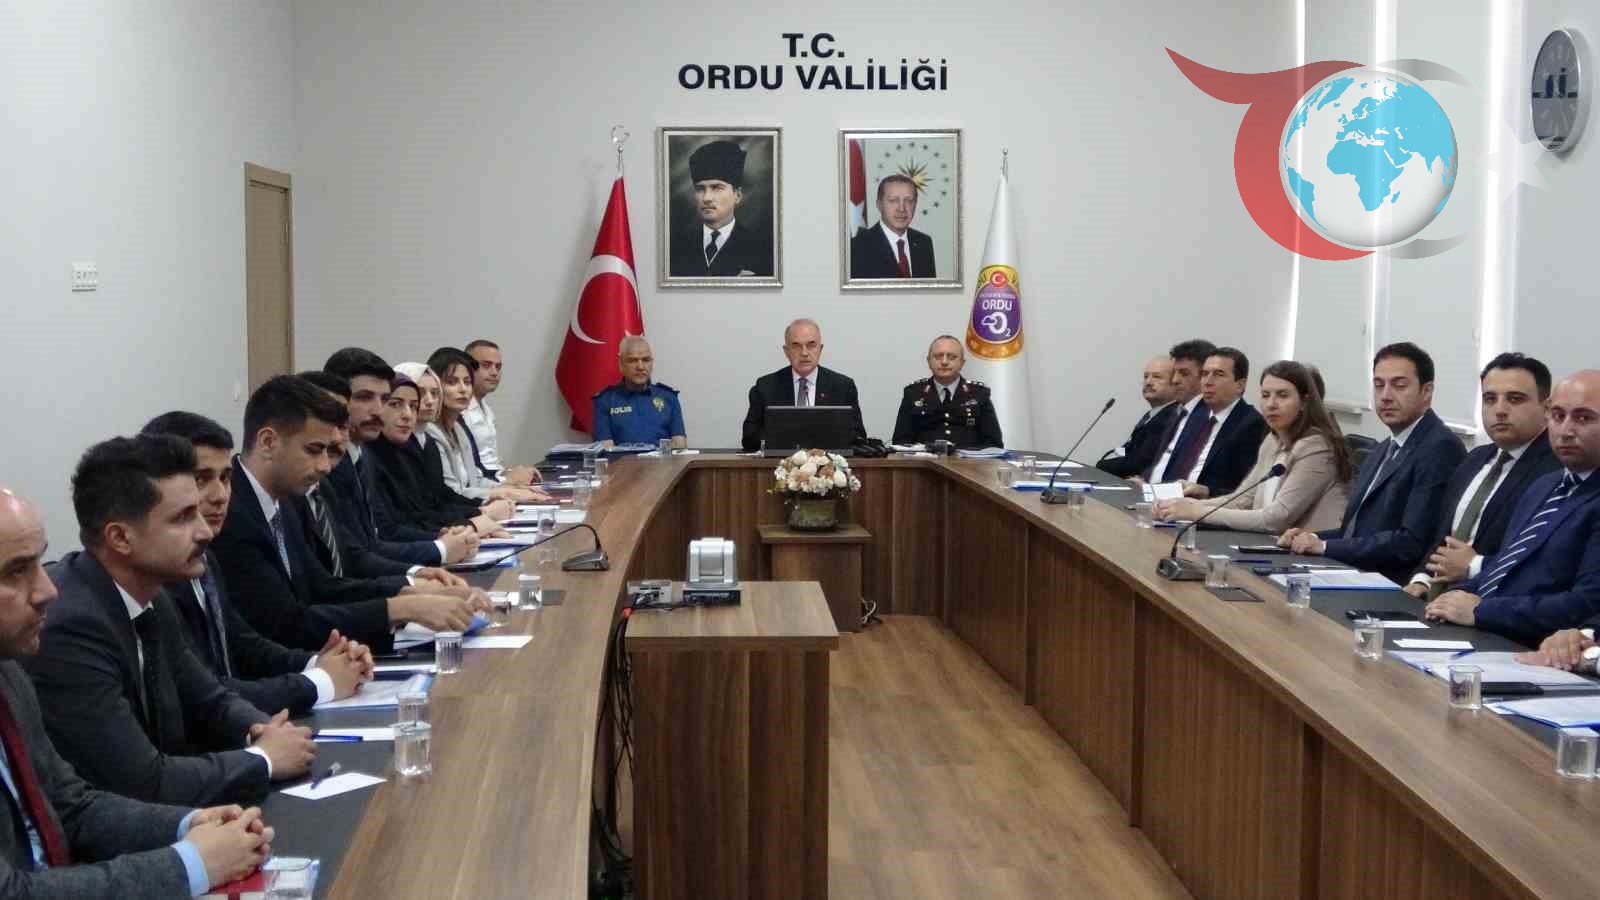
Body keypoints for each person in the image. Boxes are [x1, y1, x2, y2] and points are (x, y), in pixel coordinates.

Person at [0, 487, 276, 898]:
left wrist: (187, 825)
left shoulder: (8, 674)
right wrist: (190, 864)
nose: (47, 591)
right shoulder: (64, 630)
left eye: (39, 562)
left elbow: (71, 806)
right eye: (14, 572)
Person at [25, 435, 317, 807]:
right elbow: (141, 782)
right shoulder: (71, 627)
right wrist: (263, 759)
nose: (205, 531)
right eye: (183, 518)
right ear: (120, 537)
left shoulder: (153, 597)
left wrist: (261, 730)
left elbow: (211, 701)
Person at [210, 376, 478, 654]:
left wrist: (410, 591)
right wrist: (399, 607)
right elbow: (285, 625)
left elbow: (322, 587)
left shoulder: (284, 500)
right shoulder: (230, 514)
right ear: (268, 442)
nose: (325, 466)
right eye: (314, 450)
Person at [139, 411, 374, 715]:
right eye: (201, 479)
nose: (220, 495)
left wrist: (321, 663)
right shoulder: (155, 575)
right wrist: (321, 681)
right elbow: (203, 694)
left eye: (225, 478)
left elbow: (243, 644)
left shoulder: (206, 558)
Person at [1423, 370, 1600, 645]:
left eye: (1584, 418)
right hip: (1485, 632)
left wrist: (1480, 611)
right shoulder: (1544, 486)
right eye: (1558, 416)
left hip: (1534, 647)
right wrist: (1456, 596)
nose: (1566, 431)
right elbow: (1506, 568)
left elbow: (1585, 604)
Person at [1280, 342, 1468, 585]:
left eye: (1399, 385)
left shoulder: (1440, 448)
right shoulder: (1382, 449)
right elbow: (1356, 532)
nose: (1386, 396)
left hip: (1392, 585)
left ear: (1427, 391)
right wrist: (1312, 538)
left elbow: (1410, 543)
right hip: (1353, 573)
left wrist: (1325, 547)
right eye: (1379, 385)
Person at [1402, 354, 1560, 600]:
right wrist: (1422, 579)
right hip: (1432, 599)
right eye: (1490, 399)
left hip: (1487, 606)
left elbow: (1540, 564)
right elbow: (1444, 537)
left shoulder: (1556, 472)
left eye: (1515, 399)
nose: (1500, 410)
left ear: (1547, 408)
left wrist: (1475, 565)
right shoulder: (1474, 459)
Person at [311, 355, 481, 568]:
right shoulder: (331, 465)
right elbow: (358, 553)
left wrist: (442, 540)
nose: (378, 410)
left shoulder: (363, 456)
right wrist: (440, 548)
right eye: (364, 397)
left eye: (384, 399)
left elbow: (374, 540)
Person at [1154, 360, 1351, 532]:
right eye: (1265, 395)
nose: (1271, 404)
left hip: (1310, 556)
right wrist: (1183, 505)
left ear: (1304, 402)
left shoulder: (1316, 447)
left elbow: (1275, 519)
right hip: (1274, 546)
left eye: (1282, 395)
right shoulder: (1273, 441)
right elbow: (1243, 500)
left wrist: (1197, 512)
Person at [368, 370, 502, 537]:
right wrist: (470, 524)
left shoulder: (415, 445)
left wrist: (472, 519)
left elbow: (430, 503)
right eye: (395, 404)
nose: (407, 414)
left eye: (413, 406)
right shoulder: (372, 455)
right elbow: (391, 527)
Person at [427, 348, 549, 504]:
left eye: (467, 382)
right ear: (436, 388)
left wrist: (512, 489)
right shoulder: (431, 434)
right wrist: (506, 492)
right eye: (452, 382)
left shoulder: (458, 429)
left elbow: (476, 480)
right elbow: (452, 494)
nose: (463, 389)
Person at [1152, 347, 1266, 498]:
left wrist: (1207, 491)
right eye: (1205, 374)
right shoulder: (1196, 417)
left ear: (1240, 385)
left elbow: (1248, 494)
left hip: (1207, 507)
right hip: (1171, 499)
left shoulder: (1251, 425)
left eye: (1219, 374)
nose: (1208, 382)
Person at [741, 318, 867, 451]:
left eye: (811, 345)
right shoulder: (765, 387)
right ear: (786, 351)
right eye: (796, 346)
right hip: (779, 462)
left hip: (827, 462)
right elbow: (749, 438)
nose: (804, 353)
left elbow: (858, 436)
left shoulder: (843, 387)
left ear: (820, 349)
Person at [668, 140, 773, 277]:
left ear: (737, 195)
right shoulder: (676, 248)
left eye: (717, 188)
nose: (706, 198)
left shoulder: (761, 249)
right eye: (700, 189)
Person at [891, 334, 1003, 449]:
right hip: (924, 460)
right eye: (938, 356)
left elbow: (994, 444)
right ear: (928, 361)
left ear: (962, 363)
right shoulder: (913, 394)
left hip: (968, 460)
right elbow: (900, 442)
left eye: (952, 357)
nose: (944, 362)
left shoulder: (979, 394)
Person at [461, 340, 540, 485]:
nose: (494, 372)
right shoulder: (460, 411)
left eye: (498, 367)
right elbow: (468, 474)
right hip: (481, 488)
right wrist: (507, 480)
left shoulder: (486, 408)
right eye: (486, 365)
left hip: (495, 481)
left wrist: (511, 472)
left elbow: (491, 462)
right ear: (467, 368)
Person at [1140, 339, 1216, 483]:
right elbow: (1161, 463)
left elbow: (1184, 474)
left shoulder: (1208, 416)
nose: (1175, 380)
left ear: (1204, 377)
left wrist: (1152, 488)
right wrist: (1143, 479)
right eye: (1174, 373)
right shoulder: (1179, 411)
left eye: (1184, 374)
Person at [591, 336, 688, 448]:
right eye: (632, 360)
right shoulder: (605, 401)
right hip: (621, 460)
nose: (640, 367)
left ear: (652, 363)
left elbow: (679, 447)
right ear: (621, 363)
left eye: (646, 360)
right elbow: (606, 449)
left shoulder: (669, 397)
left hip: (662, 459)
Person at [1097, 355, 1178, 478]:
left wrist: (1101, 465)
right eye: (1146, 376)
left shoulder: (1170, 418)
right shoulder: (1153, 415)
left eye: (1157, 377)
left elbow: (1139, 464)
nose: (1148, 382)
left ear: (1176, 383)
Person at [849, 174, 936, 279]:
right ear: (879, 205)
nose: (901, 209)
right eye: (893, 200)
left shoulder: (924, 243)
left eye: (909, 201)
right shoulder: (857, 248)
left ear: (915, 204)